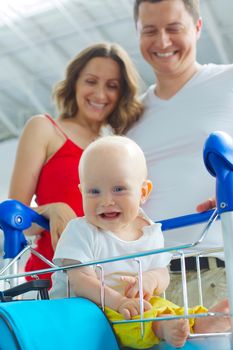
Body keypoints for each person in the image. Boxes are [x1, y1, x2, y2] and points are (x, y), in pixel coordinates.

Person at [51, 136, 230, 349]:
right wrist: (120, 302)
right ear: (82, 192)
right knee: (130, 316)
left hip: (135, 306)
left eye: (118, 189)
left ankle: (199, 320)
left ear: (143, 192)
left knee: (164, 307)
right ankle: (161, 328)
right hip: (86, 312)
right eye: (94, 191)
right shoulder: (80, 230)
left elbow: (162, 272)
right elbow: (80, 281)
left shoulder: (150, 231)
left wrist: (151, 281)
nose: (106, 201)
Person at [126, 0, 233, 308]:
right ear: (138, 34)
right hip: (150, 288)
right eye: (150, 30)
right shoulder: (129, 117)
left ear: (197, 28)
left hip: (220, 273)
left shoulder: (227, 82)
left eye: (174, 28)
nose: (162, 41)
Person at [8, 42, 143, 284]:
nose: (100, 94)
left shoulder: (116, 148)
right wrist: (51, 209)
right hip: (50, 279)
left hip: (107, 284)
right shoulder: (44, 129)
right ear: (74, 82)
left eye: (112, 86)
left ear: (121, 94)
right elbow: (13, 217)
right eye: (91, 81)